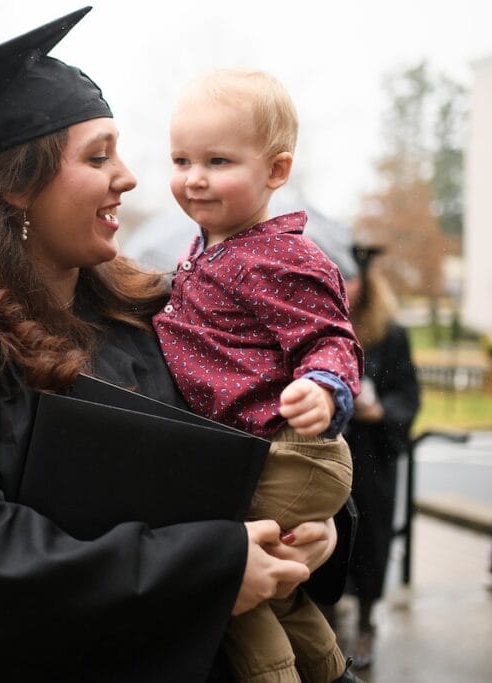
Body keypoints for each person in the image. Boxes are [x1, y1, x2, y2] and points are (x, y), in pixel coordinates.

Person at [0, 8, 358, 682]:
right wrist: (212, 566)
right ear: (20, 185)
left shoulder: (161, 312)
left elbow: (258, 427)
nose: (130, 176)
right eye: (97, 155)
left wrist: (316, 529)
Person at [151, 68, 364, 683]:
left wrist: (323, 387)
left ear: (276, 171)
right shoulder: (209, 252)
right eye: (181, 159)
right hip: (259, 453)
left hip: (288, 452)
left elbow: (329, 336)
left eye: (218, 160)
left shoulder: (281, 254)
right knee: (281, 588)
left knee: (224, 568)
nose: (194, 178)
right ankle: (328, 670)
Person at [342, 245, 420, 668]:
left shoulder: (389, 332)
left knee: (371, 541)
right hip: (329, 451)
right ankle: (326, 614)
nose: (345, 285)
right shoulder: (317, 323)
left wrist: (380, 411)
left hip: (372, 455)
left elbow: (408, 395)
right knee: (328, 537)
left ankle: (367, 623)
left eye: (351, 276)